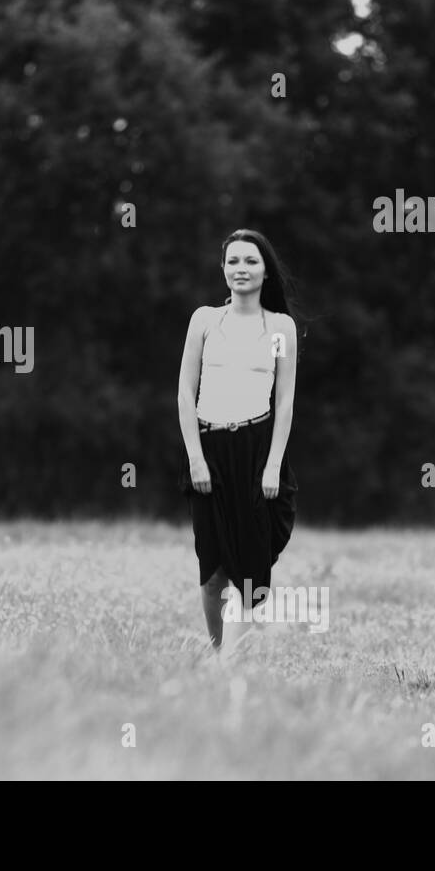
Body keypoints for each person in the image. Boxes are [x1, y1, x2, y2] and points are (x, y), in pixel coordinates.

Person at [176, 229, 300, 653]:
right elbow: (183, 392)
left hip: (256, 450)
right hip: (209, 449)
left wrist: (272, 465)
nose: (240, 269)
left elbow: (285, 401)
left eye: (250, 261)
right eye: (233, 261)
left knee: (249, 572)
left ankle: (230, 665)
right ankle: (218, 655)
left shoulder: (281, 327)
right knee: (212, 574)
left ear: (266, 271)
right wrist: (195, 457)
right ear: (223, 269)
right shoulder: (204, 320)